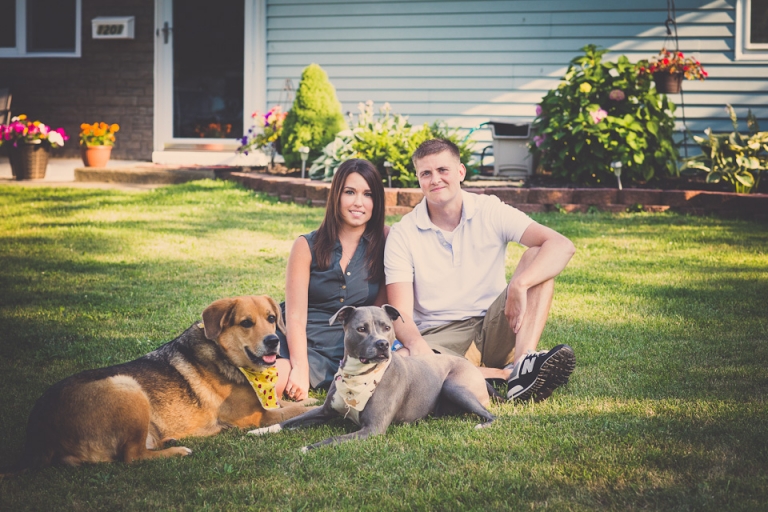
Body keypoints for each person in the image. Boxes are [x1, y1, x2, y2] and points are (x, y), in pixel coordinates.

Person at [384, 139, 577, 402]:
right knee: (401, 364)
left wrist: (520, 285)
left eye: (443, 170)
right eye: (426, 173)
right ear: (418, 179)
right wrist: (418, 348)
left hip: (494, 324)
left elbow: (561, 245)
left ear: (461, 172)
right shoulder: (403, 233)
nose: (435, 179)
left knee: (535, 256)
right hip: (441, 336)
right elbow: (401, 313)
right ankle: (506, 375)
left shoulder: (489, 210)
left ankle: (522, 364)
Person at [275, 158, 388, 401]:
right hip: (300, 341)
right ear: (336, 195)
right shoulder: (306, 245)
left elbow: (380, 311)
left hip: (351, 346)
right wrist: (300, 368)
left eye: (368, 194)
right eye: (350, 192)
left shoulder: (385, 242)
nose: (358, 202)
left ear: (376, 202)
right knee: (275, 385)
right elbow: (294, 316)